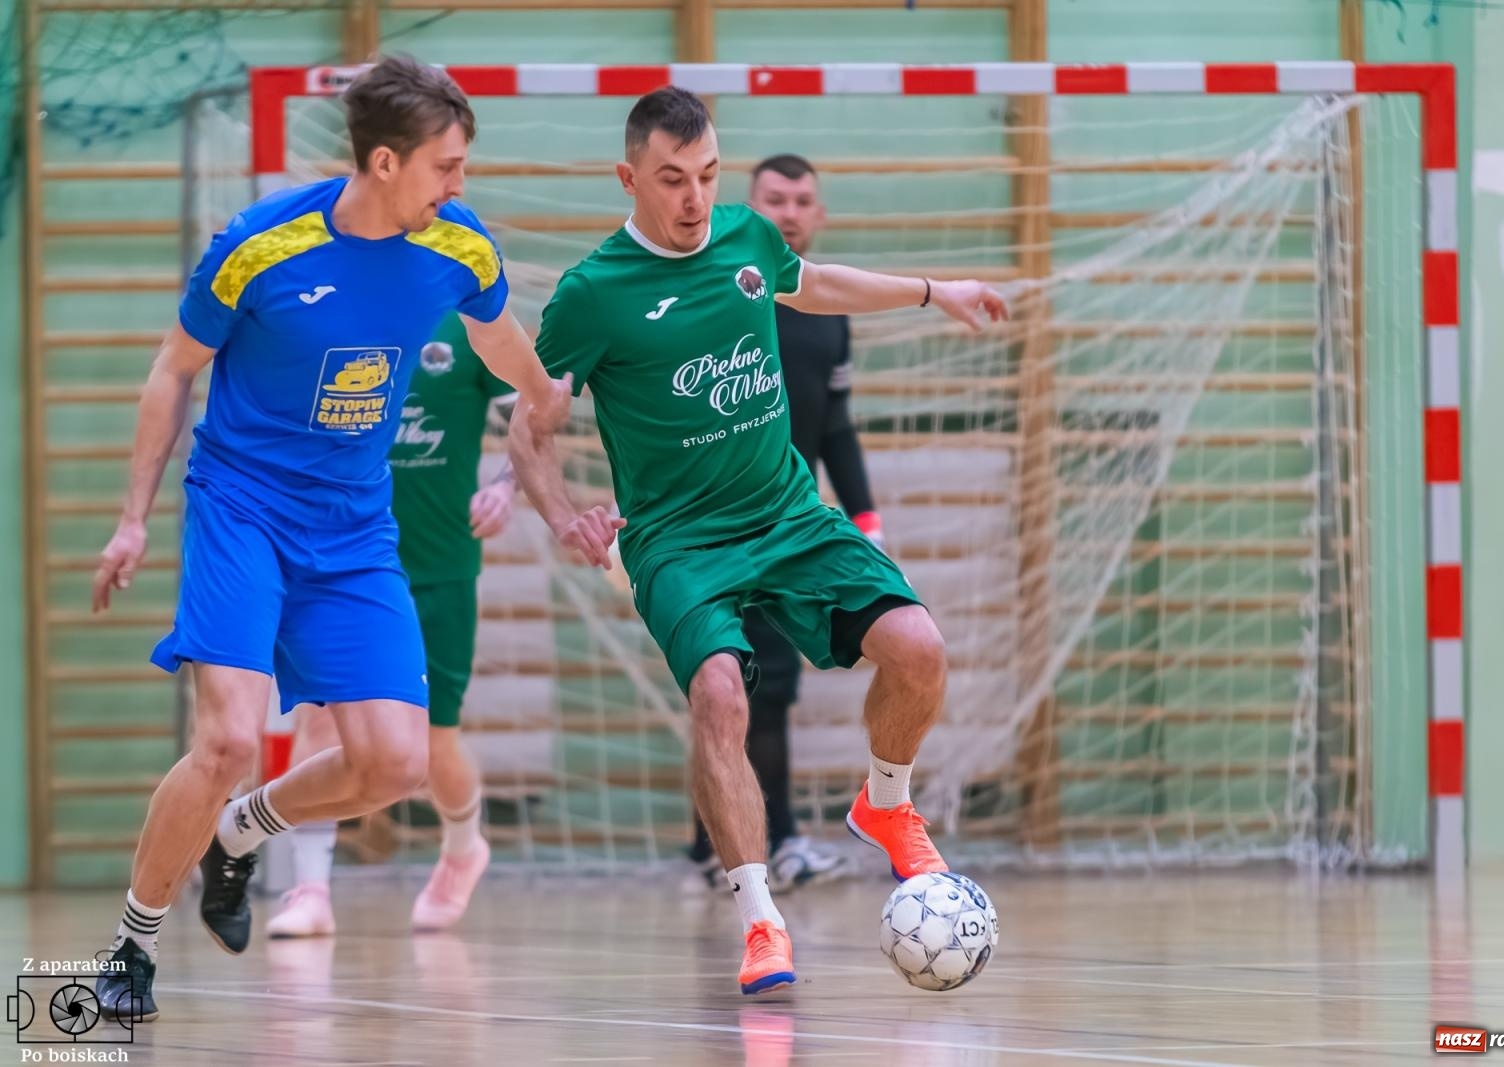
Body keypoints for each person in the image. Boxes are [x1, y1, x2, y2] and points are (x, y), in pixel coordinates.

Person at [88, 55, 574, 1022]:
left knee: (394, 762)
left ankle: (240, 834)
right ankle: (131, 945)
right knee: (228, 735)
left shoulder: (460, 247)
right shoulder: (261, 246)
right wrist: (135, 515)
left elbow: (501, 342)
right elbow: (172, 369)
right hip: (243, 507)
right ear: (386, 163)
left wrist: (548, 392)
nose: (460, 185)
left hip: (354, 526)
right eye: (447, 165)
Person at [508, 87, 1007, 995]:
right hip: (678, 539)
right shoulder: (593, 294)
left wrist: (939, 292)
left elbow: (814, 286)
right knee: (721, 695)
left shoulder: (745, 239)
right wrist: (560, 510)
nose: (694, 198)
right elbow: (528, 428)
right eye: (671, 179)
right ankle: (760, 919)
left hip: (784, 513)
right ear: (629, 178)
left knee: (920, 650)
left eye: (705, 175)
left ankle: (884, 806)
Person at [266, 311, 519, 938]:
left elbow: (533, 416)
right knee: (320, 719)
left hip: (438, 566)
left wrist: (509, 485)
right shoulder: (340, 313)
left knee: (432, 742)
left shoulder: (470, 322)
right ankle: (310, 889)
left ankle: (464, 847)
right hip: (340, 564)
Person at [684, 153, 877, 895]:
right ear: (751, 208)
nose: (790, 212)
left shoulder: (827, 314)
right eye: (775, 199)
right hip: (712, 525)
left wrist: (865, 516)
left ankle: (727, 844)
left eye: (803, 200)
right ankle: (763, 843)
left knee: (760, 688)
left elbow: (836, 427)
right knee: (731, 687)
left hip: (789, 527)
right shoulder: (723, 294)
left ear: (819, 214)